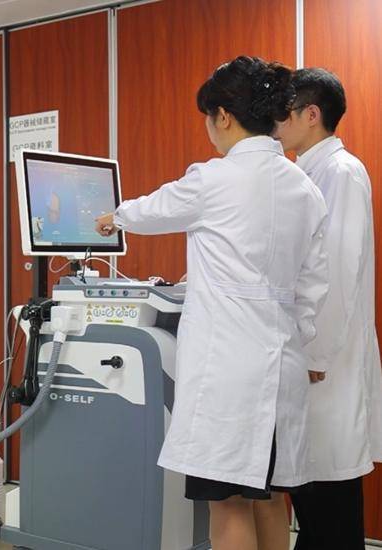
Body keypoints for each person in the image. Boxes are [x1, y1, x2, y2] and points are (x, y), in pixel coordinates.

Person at [95, 56, 329, 550]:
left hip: (228, 373)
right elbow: (312, 286)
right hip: (282, 365)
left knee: (228, 504)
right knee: (269, 497)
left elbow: (153, 209)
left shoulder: (214, 178)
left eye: (208, 117)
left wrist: (113, 217)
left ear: (223, 115)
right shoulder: (305, 189)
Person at [273, 67, 382, 550]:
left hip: (325, 362)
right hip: (311, 356)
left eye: (284, 113)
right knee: (314, 504)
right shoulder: (308, 173)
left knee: (330, 504)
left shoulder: (340, 172)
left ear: (311, 114)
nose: (276, 123)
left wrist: (314, 354)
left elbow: (337, 271)